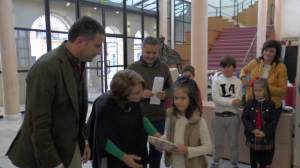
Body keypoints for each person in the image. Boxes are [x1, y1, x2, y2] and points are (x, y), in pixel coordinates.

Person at [6, 16, 105, 168]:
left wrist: (83, 140)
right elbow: (38, 124)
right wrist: (53, 163)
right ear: (80, 42)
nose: (99, 52)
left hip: (70, 147)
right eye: (97, 46)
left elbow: (76, 110)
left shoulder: (79, 63)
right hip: (47, 155)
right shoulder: (46, 68)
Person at [87, 69, 161, 168]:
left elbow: (140, 119)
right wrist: (123, 157)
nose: (141, 94)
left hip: (133, 147)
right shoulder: (105, 105)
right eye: (137, 93)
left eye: (141, 90)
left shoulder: (134, 99)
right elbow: (101, 138)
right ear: (123, 95)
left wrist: (157, 136)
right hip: (113, 155)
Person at [128, 36, 173, 168]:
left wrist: (165, 94)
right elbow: (124, 91)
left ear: (158, 52)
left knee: (156, 152)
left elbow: (172, 88)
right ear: (142, 50)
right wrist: (141, 94)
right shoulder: (133, 67)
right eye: (148, 52)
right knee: (139, 152)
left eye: (154, 53)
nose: (151, 56)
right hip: (138, 116)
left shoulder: (164, 68)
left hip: (158, 116)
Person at [163, 76, 212, 168]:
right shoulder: (172, 118)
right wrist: (161, 141)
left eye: (183, 98)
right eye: (176, 98)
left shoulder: (200, 122)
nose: (178, 102)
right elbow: (168, 135)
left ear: (191, 98)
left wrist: (187, 150)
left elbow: (208, 148)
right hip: (176, 164)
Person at [211, 56, 242, 168]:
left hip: (233, 117)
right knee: (218, 143)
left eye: (229, 67)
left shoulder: (238, 82)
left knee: (233, 143)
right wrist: (231, 102)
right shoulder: (216, 80)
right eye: (224, 67)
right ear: (221, 68)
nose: (227, 69)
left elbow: (238, 100)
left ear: (233, 68)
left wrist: (229, 102)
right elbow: (215, 98)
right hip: (218, 117)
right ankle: (215, 162)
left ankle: (234, 163)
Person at [240, 40, 287, 112]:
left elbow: (282, 90)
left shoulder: (281, 67)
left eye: (271, 51)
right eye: (266, 50)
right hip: (253, 103)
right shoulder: (255, 62)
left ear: (276, 53)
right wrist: (243, 78)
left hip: (272, 106)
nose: (268, 53)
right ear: (263, 51)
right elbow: (243, 70)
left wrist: (264, 87)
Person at [242, 78, 279, 168]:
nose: (257, 93)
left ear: (265, 91)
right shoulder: (249, 103)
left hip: (265, 138)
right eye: (255, 90)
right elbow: (244, 118)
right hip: (253, 136)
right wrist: (252, 129)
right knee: (253, 161)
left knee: (263, 162)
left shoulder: (271, 104)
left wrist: (264, 132)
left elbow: (274, 121)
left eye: (260, 90)